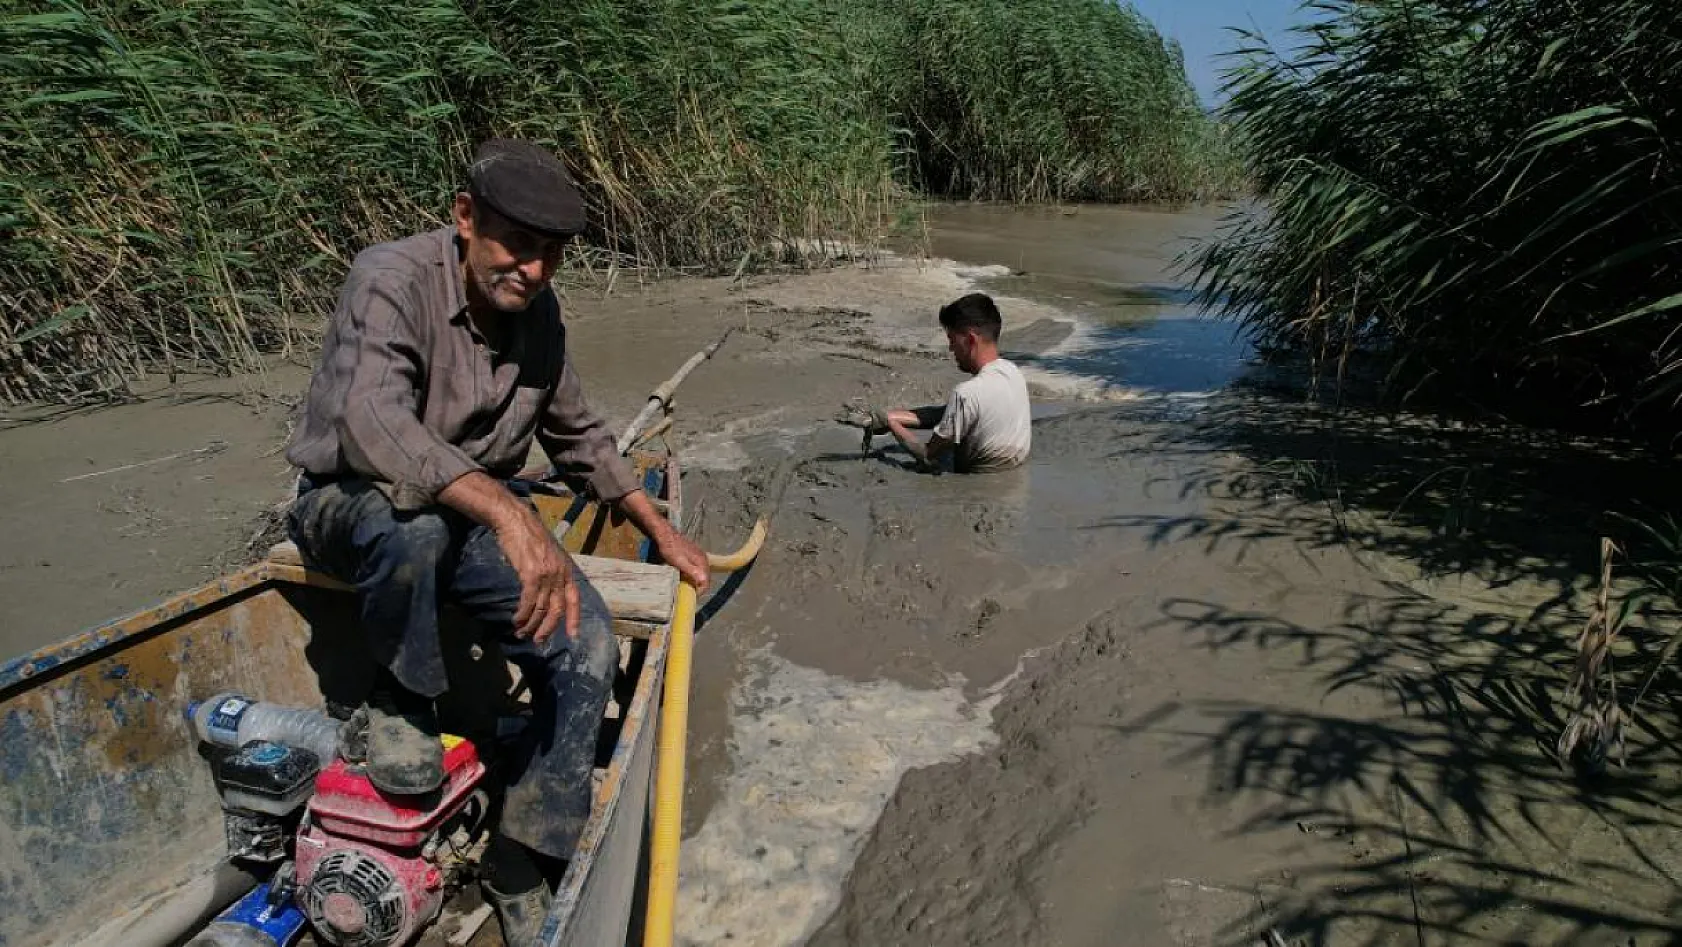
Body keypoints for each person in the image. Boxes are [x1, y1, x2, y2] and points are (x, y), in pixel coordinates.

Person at [282, 138, 709, 943]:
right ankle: (401, 697)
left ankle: (518, 854)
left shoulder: (538, 315)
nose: (534, 269)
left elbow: (578, 436)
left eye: (551, 253)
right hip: (351, 505)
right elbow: (373, 423)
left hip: (468, 517)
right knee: (409, 525)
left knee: (585, 643)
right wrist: (513, 516)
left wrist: (659, 527)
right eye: (517, 243)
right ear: (465, 218)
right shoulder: (391, 279)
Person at [839, 292, 1031, 472]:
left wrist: (890, 423)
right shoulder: (1013, 373)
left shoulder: (966, 394)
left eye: (952, 339)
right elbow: (948, 413)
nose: (951, 349)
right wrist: (887, 417)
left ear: (970, 340)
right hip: (1013, 473)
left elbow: (928, 455)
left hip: (977, 479)